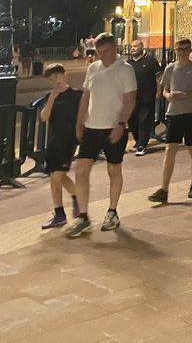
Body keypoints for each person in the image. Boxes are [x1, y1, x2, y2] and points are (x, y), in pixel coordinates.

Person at [65, 33, 137, 238]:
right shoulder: (93, 69)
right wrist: (80, 122)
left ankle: (112, 211)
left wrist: (121, 125)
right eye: (98, 52)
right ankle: (84, 216)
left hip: (114, 127)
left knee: (113, 169)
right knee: (81, 171)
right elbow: (86, 97)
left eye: (104, 52)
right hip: (92, 127)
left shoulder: (126, 70)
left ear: (114, 48)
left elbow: (130, 100)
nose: (101, 56)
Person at [147, 39, 192, 203]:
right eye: (179, 49)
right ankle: (164, 188)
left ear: (190, 49)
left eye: (185, 49)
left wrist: (186, 95)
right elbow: (164, 89)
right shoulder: (170, 68)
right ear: (175, 50)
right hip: (174, 113)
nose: (182, 52)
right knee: (170, 149)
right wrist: (168, 95)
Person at [39, 64, 81, 229]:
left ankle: (60, 213)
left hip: (68, 141)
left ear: (65, 75)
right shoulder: (52, 96)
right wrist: (52, 98)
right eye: (51, 79)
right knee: (57, 177)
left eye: (56, 77)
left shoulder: (78, 95)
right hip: (54, 141)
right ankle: (75, 199)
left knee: (57, 177)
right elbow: (44, 117)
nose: (54, 82)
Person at [127, 40, 163, 156]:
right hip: (132, 98)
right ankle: (138, 141)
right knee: (132, 121)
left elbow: (159, 77)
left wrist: (159, 92)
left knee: (144, 121)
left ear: (142, 47)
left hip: (147, 97)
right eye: (132, 46)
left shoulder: (150, 61)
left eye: (135, 46)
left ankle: (142, 145)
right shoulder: (128, 63)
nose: (133, 48)